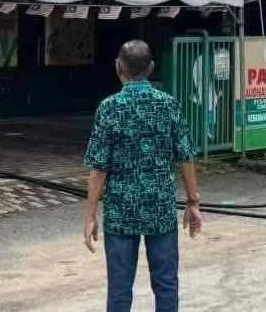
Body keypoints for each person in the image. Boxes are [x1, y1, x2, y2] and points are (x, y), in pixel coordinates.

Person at [84, 40, 202, 312]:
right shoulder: (168, 105)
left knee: (120, 289)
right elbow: (185, 156)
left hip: (120, 214)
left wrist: (90, 215)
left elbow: (98, 169)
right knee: (166, 284)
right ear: (151, 67)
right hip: (160, 210)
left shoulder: (109, 108)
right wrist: (192, 201)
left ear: (118, 67)